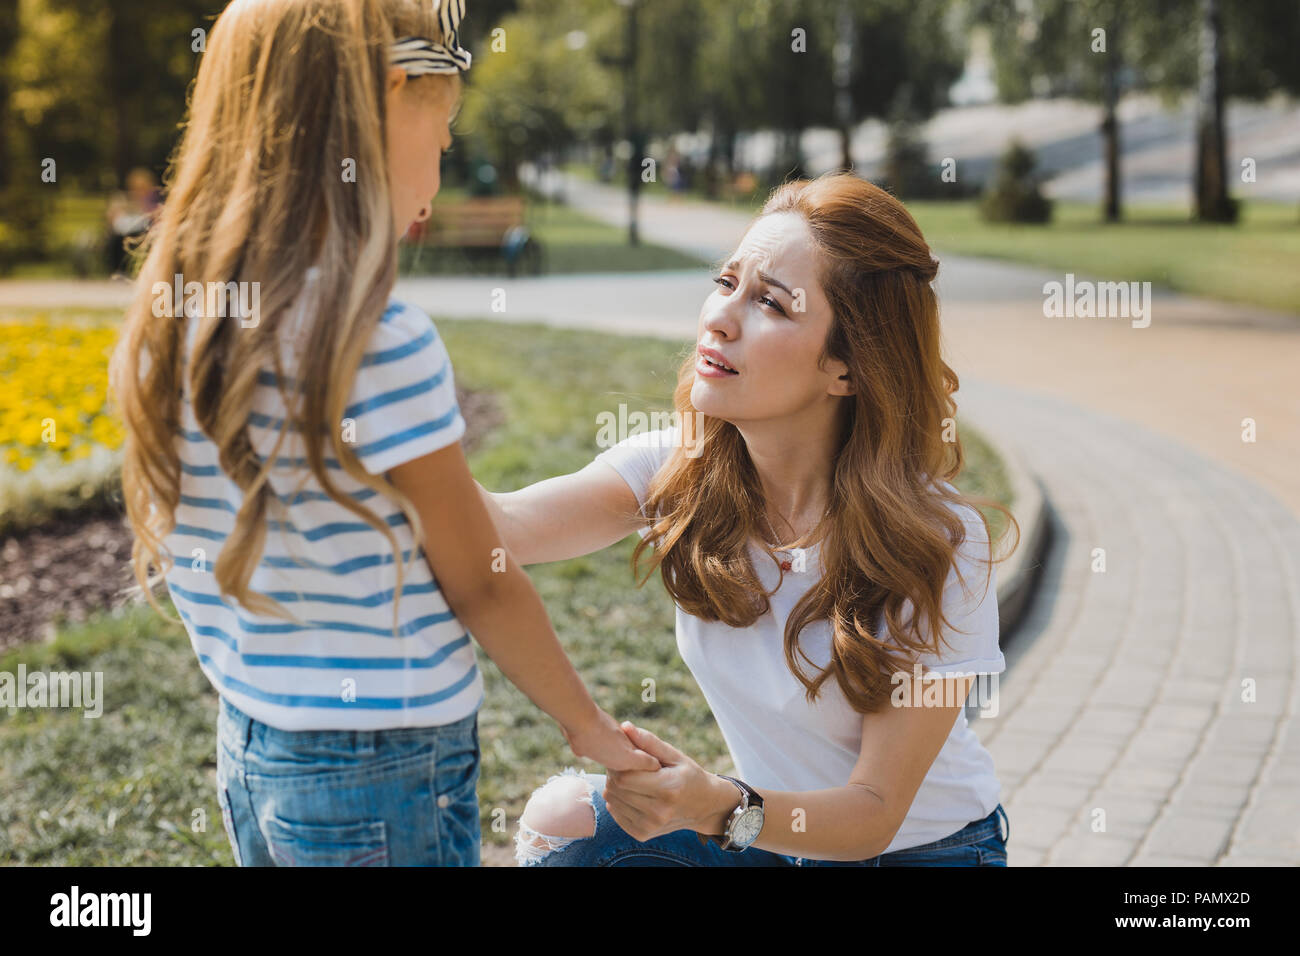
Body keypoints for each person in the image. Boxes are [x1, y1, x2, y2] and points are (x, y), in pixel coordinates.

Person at [107, 0, 655, 868]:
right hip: (385, 763)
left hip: (254, 746)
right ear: (389, 94)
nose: (439, 168)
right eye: (441, 135)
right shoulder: (375, 337)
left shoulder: (184, 321)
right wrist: (588, 726)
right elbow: (483, 582)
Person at [481, 172, 1020, 866]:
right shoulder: (676, 470)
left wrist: (718, 805)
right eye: (726, 281)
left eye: (769, 302)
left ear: (848, 367)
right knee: (563, 821)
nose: (720, 317)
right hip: (763, 837)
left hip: (920, 852)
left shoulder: (937, 542)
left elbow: (875, 815)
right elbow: (503, 529)